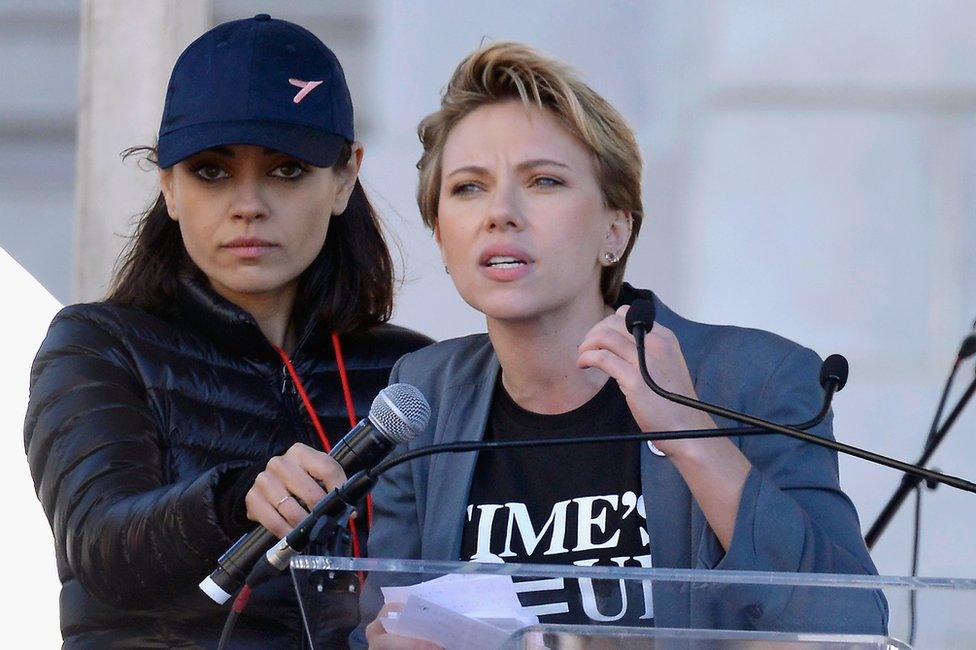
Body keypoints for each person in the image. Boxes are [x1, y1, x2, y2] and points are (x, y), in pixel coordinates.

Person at [359, 42, 888, 646]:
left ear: (616, 228)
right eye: (468, 189)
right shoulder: (425, 394)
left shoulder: (757, 379)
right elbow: (378, 621)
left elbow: (850, 626)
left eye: (544, 181)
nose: (500, 213)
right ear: (441, 235)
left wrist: (694, 437)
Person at [24, 15, 431, 649]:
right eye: (212, 171)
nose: (249, 204)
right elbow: (98, 544)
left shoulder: (415, 372)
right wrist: (234, 496)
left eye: (287, 170)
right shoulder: (97, 346)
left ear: (346, 177)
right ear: (168, 186)